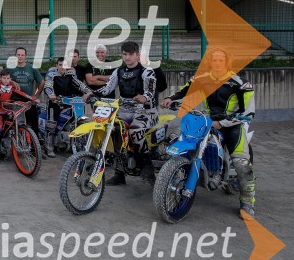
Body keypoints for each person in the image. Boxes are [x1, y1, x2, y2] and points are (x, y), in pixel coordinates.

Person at [161, 47, 257, 217]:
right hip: (208, 121)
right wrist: (170, 99)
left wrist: (224, 122)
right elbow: (184, 90)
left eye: (221, 60)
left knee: (241, 164)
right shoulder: (201, 78)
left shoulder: (241, 84)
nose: (217, 63)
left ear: (227, 63)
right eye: (214, 60)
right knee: (180, 140)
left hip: (233, 125)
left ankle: (247, 202)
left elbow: (248, 113)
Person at [94, 41, 158, 185]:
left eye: (131, 54)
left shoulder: (147, 72)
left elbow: (150, 91)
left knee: (135, 131)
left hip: (147, 111)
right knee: (113, 132)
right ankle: (119, 173)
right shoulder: (118, 71)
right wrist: (91, 93)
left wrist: (144, 97)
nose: (128, 58)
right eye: (125, 54)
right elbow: (107, 88)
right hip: (124, 110)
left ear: (137, 55)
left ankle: (148, 167)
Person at [42, 57, 92, 157]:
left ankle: (74, 143)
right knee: (51, 125)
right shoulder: (51, 75)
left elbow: (79, 84)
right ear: (57, 66)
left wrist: (88, 91)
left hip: (68, 102)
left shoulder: (70, 75)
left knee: (74, 121)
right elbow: (48, 86)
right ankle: (49, 147)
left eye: (64, 65)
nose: (62, 67)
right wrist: (51, 95)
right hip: (55, 102)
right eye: (60, 65)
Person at [0, 68, 37, 163]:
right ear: (0, 78)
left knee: (12, 127)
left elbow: (21, 93)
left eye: (8, 78)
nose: (6, 80)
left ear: (10, 79)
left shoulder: (11, 86)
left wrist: (32, 99)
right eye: (4, 78)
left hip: (8, 111)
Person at [8, 46, 44, 142]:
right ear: (15, 56)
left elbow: (42, 82)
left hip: (28, 101)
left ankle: (34, 147)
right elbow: (3, 80)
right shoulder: (10, 68)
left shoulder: (32, 68)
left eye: (22, 55)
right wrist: (11, 82)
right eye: (18, 55)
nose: (20, 57)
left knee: (32, 123)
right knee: (14, 123)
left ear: (26, 56)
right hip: (14, 100)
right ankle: (15, 144)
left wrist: (36, 96)